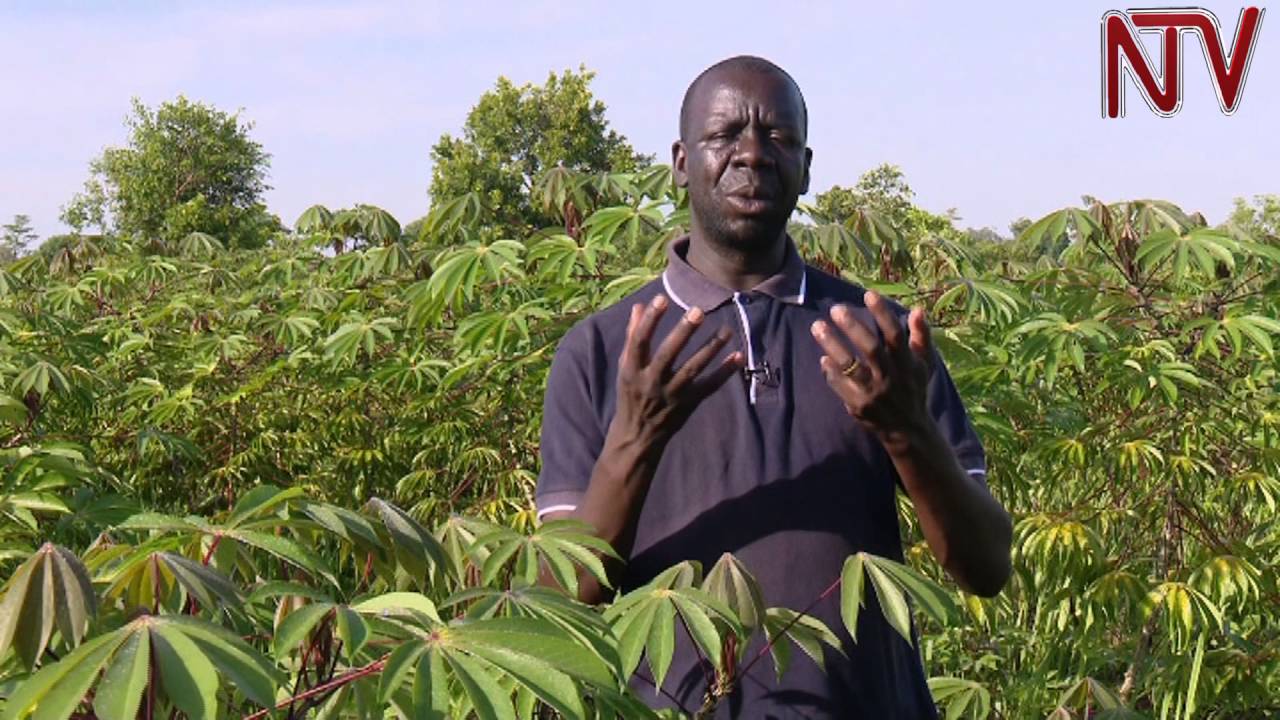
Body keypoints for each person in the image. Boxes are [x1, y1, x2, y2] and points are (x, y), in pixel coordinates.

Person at [535, 55, 1013, 718]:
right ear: (681, 162)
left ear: (806, 168)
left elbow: (986, 567)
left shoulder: (877, 336)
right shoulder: (600, 349)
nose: (753, 154)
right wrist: (635, 437)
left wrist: (908, 430)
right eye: (724, 134)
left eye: (778, 137)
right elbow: (559, 602)